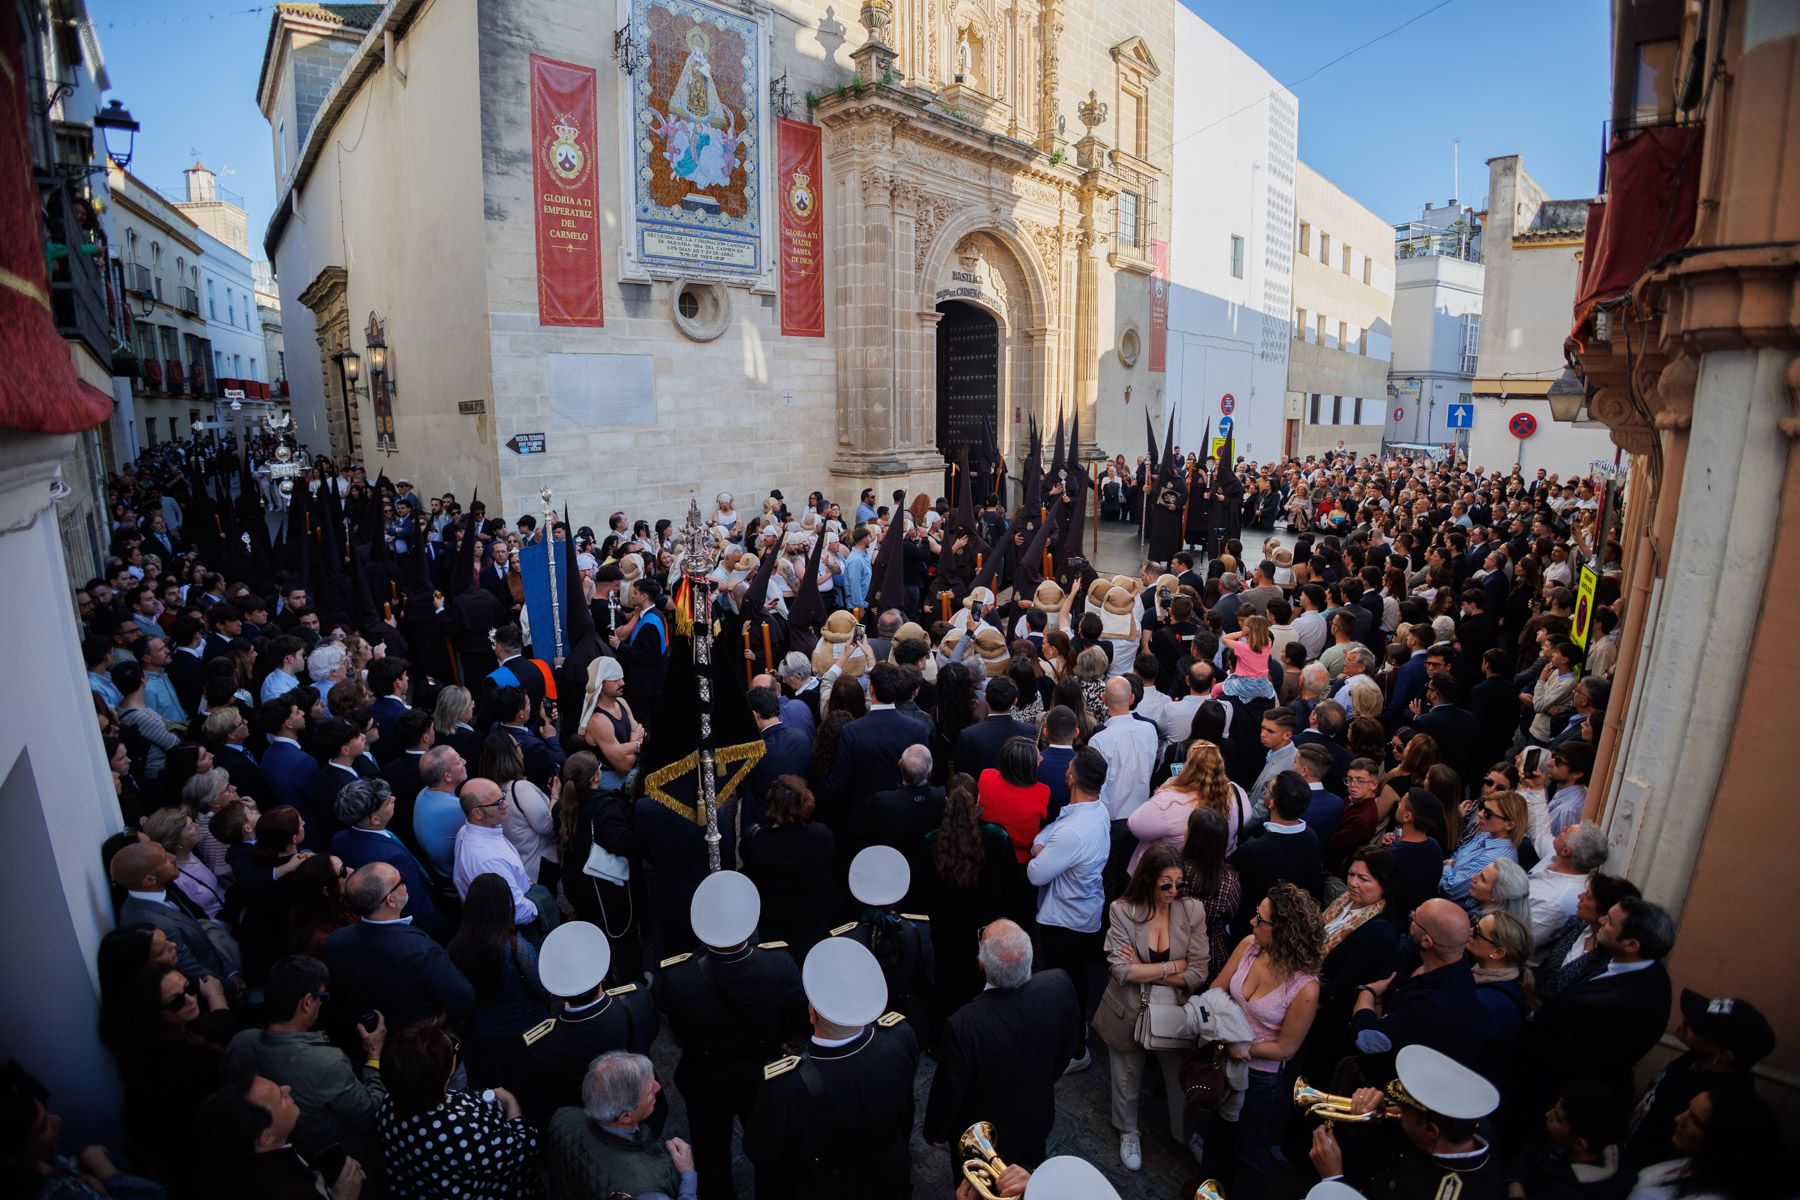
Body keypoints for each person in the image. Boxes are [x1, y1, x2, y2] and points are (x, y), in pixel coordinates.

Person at [656, 871, 807, 1199]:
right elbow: (797, 1015)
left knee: (711, 1158)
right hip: (762, 1074)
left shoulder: (676, 975)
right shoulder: (778, 962)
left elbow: (670, 1015)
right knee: (769, 1150)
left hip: (705, 1075)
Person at [743, 938, 921, 1197]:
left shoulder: (784, 1086)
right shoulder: (901, 1035)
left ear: (812, 1013)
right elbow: (905, 1108)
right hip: (888, 1176)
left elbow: (760, 1150)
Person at [921, 919, 1079, 1173]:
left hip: (983, 1138)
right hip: (1036, 1118)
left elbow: (949, 1089)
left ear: (981, 964)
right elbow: (1067, 1047)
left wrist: (936, 1132)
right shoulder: (1059, 984)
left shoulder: (965, 1025)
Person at [1511, 897, 1675, 1137]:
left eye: (1609, 922)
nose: (1600, 921)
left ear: (1631, 944)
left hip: (1549, 1095)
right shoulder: (1629, 964)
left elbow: (1568, 1061)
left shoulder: (1629, 1002)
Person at [1089, 845, 1209, 1171]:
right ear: (1148, 880)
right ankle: (1128, 1130)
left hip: (1173, 1010)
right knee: (1127, 1077)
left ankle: (1184, 1134)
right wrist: (1174, 967)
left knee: (1179, 1082)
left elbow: (1199, 971)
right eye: (1165, 884)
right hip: (1128, 1007)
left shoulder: (1192, 910)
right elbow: (1121, 970)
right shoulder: (1123, 910)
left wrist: (1148, 968)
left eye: (1179, 884)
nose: (1173, 891)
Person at [1200, 882, 1322, 1200]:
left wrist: (1243, 1046)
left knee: (1250, 1152)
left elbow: (1286, 1048)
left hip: (1260, 1080)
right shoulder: (1249, 946)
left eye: (1260, 918)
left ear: (1283, 931)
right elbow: (1217, 988)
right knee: (1217, 1135)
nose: (1252, 921)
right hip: (1223, 1057)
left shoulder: (1305, 987)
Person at [220, 955, 388, 1179]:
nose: (322, 1003)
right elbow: (370, 1115)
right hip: (340, 1171)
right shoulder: (326, 1062)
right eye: (322, 997)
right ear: (307, 1002)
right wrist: (374, 1056)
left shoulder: (240, 1042)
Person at [1308, 1044, 1504, 1200]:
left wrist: (1333, 1179)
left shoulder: (1446, 1192)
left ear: (1431, 1129)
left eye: (1404, 1111)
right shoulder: (1467, 1120)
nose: (1397, 1111)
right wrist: (1371, 1117)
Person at [515, 921, 657, 1131]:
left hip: (586, 1121)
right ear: (603, 974)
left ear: (553, 991)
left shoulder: (540, 1044)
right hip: (643, 1107)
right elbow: (650, 1034)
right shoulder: (637, 999)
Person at [376, 1016, 538, 1199]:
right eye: (452, 1049)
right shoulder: (463, 1127)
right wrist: (512, 1105)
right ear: (443, 1072)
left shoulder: (389, 1104)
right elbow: (521, 1152)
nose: (455, 1050)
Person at [111, 963, 237, 1195]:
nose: (190, 999)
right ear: (153, 1015)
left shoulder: (145, 1047)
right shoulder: (186, 1062)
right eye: (176, 1001)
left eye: (189, 988)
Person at [1026, 747, 1113, 1072]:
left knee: (1066, 983)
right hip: (1082, 910)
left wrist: (1040, 850)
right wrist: (1045, 843)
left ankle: (1075, 1050)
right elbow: (1055, 830)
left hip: (1064, 918)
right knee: (1075, 979)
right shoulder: (1093, 810)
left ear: (1072, 776)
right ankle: (1075, 1034)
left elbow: (1036, 873)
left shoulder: (1074, 832)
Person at [1626, 989, 1777, 1171]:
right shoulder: (1696, 1059)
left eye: (1694, 1026)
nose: (1683, 1025)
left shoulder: (1723, 1100)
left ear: (1723, 1054)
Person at [321, 863, 475, 1036]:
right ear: (390, 900)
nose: (405, 884)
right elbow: (463, 997)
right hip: (417, 1043)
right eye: (401, 881)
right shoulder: (419, 949)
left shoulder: (336, 940)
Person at [1300, 846, 1404, 1085]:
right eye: (1351, 874)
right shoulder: (1345, 901)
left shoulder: (1379, 933)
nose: (1353, 883)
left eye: (1363, 879)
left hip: (1327, 1019)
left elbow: (1342, 988)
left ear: (1385, 885)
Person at [1351, 897, 1483, 1074]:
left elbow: (1367, 1039)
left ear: (1427, 941)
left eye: (1415, 919)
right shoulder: (1427, 959)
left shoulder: (1435, 1003)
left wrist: (1367, 992)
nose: (1411, 915)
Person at [543, 1050, 696, 1200]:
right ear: (625, 1116)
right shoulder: (645, 1190)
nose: (658, 1087)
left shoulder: (562, 1117)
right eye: (649, 1090)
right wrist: (687, 1173)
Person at [447, 873, 550, 1091]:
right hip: (527, 1032)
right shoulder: (516, 948)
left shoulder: (456, 948)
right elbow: (539, 987)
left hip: (484, 1036)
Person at [197, 1074, 367, 1199]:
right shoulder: (281, 1190)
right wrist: (344, 1196)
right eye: (280, 1097)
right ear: (266, 1137)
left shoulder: (234, 1161)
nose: (287, 1088)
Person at [557, 751, 644, 985]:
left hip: (577, 883)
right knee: (622, 938)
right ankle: (630, 985)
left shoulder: (563, 805)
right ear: (597, 776)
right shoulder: (606, 806)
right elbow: (620, 841)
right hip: (606, 885)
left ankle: (601, 984)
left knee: (595, 936)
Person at [1620, 1084, 1786, 1200]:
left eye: (1694, 1120)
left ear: (1721, 1139)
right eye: (1687, 1110)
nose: (1678, 1118)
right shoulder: (1695, 1164)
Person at [832, 846, 935, 1030]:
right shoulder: (920, 930)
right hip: (906, 1020)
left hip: (860, 1024)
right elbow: (926, 983)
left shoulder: (845, 938)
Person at [329, 777, 447, 937]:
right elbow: (417, 906)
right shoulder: (392, 857)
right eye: (387, 802)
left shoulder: (338, 839)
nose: (393, 798)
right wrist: (441, 930)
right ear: (375, 819)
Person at [739, 774, 838, 960]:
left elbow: (749, 865)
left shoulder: (757, 841)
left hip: (776, 922)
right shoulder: (821, 836)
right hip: (813, 918)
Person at [453, 778, 556, 936]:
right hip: (516, 929)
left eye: (503, 796)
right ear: (477, 813)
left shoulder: (468, 830)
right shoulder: (488, 860)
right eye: (499, 802)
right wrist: (542, 904)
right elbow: (518, 912)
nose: (506, 804)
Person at [1503, 1080, 1633, 1200]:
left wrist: (1515, 1187)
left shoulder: (1570, 1193)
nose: (1548, 1114)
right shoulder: (1579, 1139)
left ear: (1580, 1144)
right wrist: (1516, 1178)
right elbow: (1531, 1149)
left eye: (1558, 1119)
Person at [1229, 771, 1323, 927]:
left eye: (1268, 788)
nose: (1265, 792)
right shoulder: (1311, 837)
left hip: (1254, 926)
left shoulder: (1253, 850)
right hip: (1292, 923)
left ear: (1272, 803)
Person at [479, 727, 560, 891]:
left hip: (517, 866)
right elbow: (546, 825)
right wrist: (555, 797)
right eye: (517, 745)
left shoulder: (487, 790)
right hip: (537, 866)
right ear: (510, 755)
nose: (521, 748)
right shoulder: (520, 789)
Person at [1442, 789, 1527, 910]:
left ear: (1509, 825)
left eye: (1488, 813)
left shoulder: (1494, 859)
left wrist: (1448, 866)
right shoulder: (1488, 833)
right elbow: (1457, 853)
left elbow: (1450, 890)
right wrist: (1450, 865)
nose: (1480, 814)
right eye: (1482, 808)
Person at [1090, 676, 1160, 820]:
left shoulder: (1099, 740)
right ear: (1132, 699)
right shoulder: (1149, 730)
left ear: (1103, 698)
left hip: (1112, 816)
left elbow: (1096, 787)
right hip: (1141, 812)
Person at [977, 735, 1051, 864]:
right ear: (1027, 765)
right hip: (1021, 861)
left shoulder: (986, 777)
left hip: (986, 851)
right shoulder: (1042, 792)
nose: (1042, 757)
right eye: (1037, 756)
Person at [411, 745, 468, 881]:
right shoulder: (457, 808)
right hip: (454, 878)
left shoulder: (423, 793)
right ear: (447, 776)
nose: (464, 761)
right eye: (458, 761)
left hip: (437, 869)